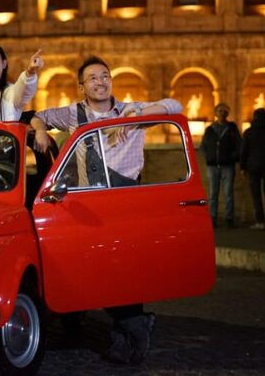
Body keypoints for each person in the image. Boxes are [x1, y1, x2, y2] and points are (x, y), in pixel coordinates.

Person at [31, 55, 182, 365]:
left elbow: (174, 105)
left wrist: (133, 116)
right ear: (82, 86)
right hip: (86, 202)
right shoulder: (73, 113)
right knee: (80, 264)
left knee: (122, 271)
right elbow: (36, 116)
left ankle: (132, 331)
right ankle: (75, 324)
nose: (100, 82)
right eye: (93, 78)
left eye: (104, 76)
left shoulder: (130, 110)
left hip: (124, 201)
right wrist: (41, 131)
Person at [201, 103, 242, 228]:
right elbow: (203, 146)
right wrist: (208, 157)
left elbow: (239, 144)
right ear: (215, 113)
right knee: (213, 194)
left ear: (227, 113)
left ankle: (229, 218)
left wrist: (233, 157)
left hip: (227, 165)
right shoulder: (209, 129)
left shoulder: (232, 128)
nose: (222, 113)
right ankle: (213, 218)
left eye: (224, 111)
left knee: (228, 193)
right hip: (212, 165)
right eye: (220, 111)